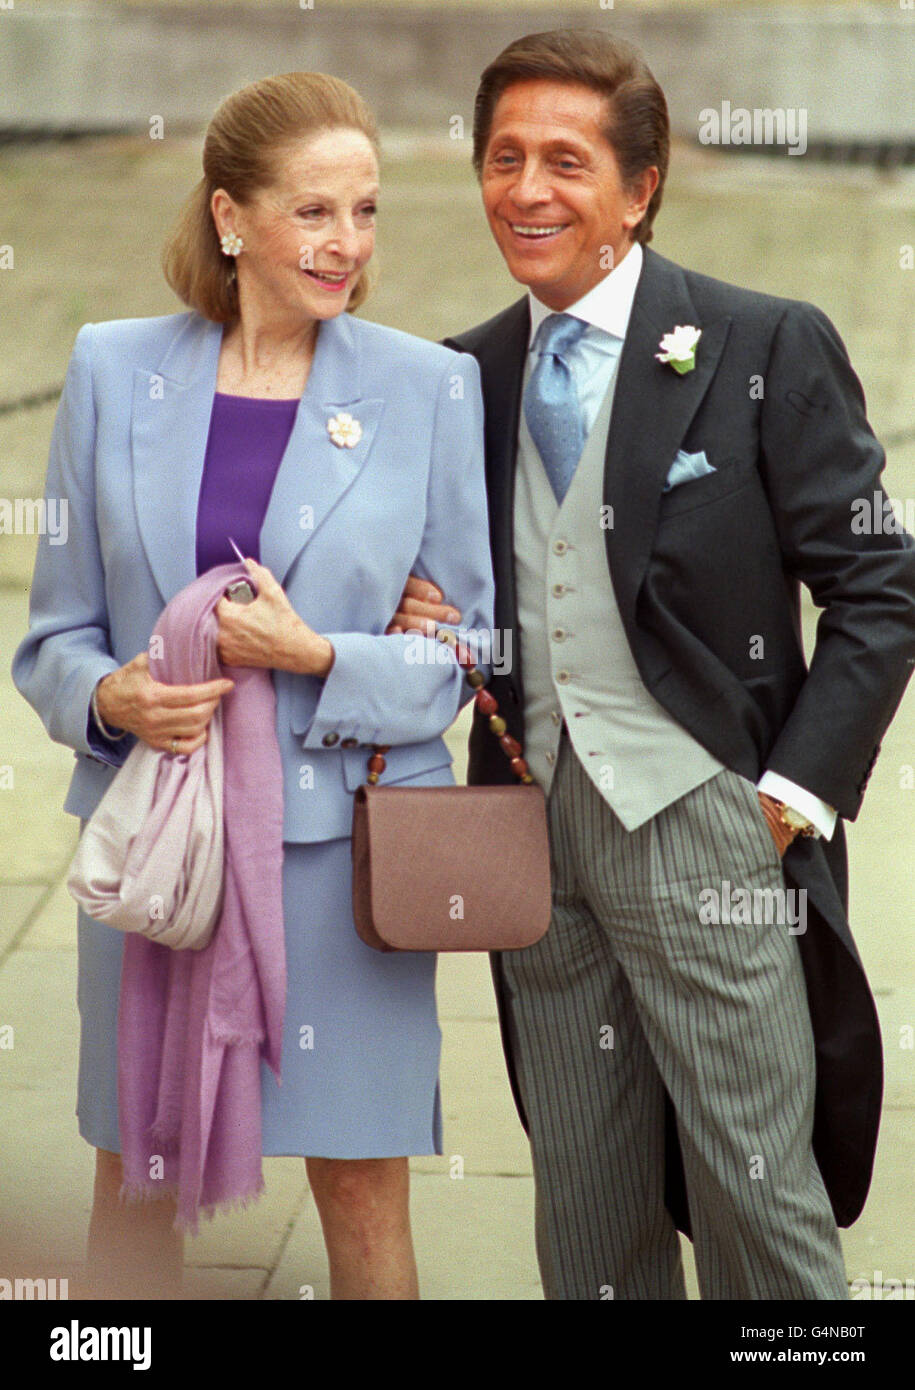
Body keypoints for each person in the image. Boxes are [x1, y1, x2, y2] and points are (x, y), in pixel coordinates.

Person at [390, 29, 915, 1299]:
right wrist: (425, 619)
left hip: (713, 831)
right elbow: (472, 595)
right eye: (504, 157)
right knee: (582, 1186)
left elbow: (880, 586)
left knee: (756, 1189)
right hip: (534, 835)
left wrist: (790, 796)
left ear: (642, 184)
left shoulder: (762, 345)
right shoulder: (466, 375)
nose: (527, 189)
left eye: (565, 161)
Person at [12, 70, 494, 1301]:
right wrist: (113, 698)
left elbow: (466, 653)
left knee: (364, 1191)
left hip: (340, 861)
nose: (349, 245)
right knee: (131, 1177)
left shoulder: (426, 388)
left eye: (369, 212)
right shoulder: (114, 370)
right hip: (154, 855)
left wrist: (321, 654)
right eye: (315, 212)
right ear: (230, 217)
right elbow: (54, 634)